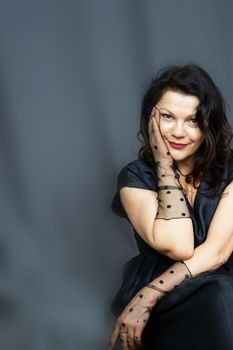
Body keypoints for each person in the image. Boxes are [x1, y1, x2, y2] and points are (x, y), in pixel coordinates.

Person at [108, 64, 233, 350]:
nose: (178, 132)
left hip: (205, 296)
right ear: (151, 119)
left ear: (208, 125)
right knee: (222, 293)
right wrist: (164, 164)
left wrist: (148, 295)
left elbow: (217, 252)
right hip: (168, 306)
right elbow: (179, 246)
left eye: (192, 120)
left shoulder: (231, 172)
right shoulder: (135, 177)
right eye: (167, 117)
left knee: (222, 292)